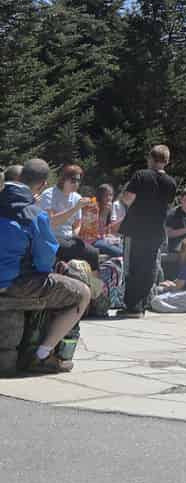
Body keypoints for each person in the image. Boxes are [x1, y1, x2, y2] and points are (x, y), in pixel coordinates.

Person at [0, 159, 91, 373]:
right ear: (42, 185)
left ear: (19, 177)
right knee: (83, 293)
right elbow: (44, 262)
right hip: (13, 283)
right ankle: (41, 356)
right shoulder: (35, 215)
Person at [119, 144, 178, 318]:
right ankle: (141, 305)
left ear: (150, 159)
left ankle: (131, 306)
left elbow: (127, 198)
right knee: (149, 267)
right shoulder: (171, 182)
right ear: (166, 162)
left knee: (131, 266)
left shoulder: (141, 175)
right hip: (156, 231)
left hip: (136, 228)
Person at [36, 164, 100, 272]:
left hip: (68, 238)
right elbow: (50, 223)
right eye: (73, 180)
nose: (76, 184)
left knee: (93, 253)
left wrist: (76, 234)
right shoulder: (49, 194)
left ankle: (94, 284)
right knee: (73, 251)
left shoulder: (77, 197)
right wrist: (75, 208)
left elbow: (77, 224)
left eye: (78, 181)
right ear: (63, 179)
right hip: (51, 237)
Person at [93, 183, 125, 257]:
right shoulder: (94, 208)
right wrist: (104, 212)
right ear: (100, 196)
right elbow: (97, 232)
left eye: (110, 195)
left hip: (103, 239)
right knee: (121, 253)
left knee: (124, 248)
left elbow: (108, 230)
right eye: (106, 195)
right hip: (93, 240)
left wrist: (110, 237)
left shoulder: (109, 208)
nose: (109, 198)